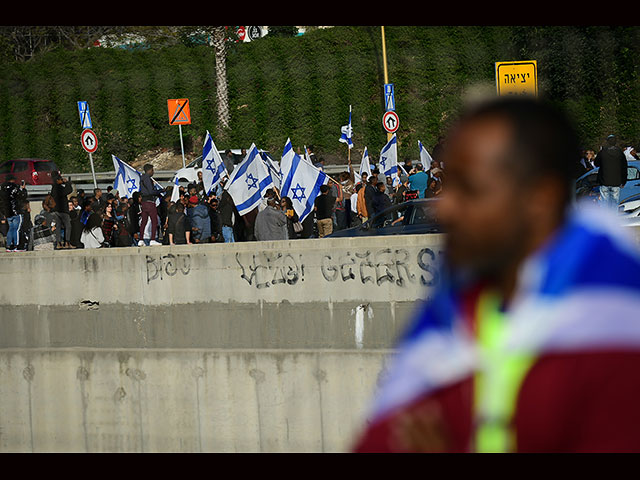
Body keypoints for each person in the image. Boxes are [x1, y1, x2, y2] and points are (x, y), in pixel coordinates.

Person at [353, 96, 640, 453]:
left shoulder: (615, 325)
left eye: (470, 189)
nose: (446, 209)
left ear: (541, 198)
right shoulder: (456, 303)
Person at [594, 134, 628, 209]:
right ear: (615, 142)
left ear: (607, 142)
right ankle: (613, 219)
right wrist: (624, 181)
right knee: (614, 204)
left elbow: (596, 163)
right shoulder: (620, 153)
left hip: (604, 181)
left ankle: (605, 219)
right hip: (616, 182)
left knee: (604, 204)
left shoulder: (603, 152)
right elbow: (624, 167)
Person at [0, 175, 27, 252]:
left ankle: (9, 246)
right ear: (13, 180)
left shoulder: (2, 188)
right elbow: (22, 196)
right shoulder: (15, 187)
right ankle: (17, 246)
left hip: (7, 212)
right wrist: (23, 189)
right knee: (16, 229)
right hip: (16, 211)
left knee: (10, 229)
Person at [138, 164, 163, 246]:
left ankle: (141, 239)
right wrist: (160, 191)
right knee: (154, 221)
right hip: (150, 202)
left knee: (144, 221)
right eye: (152, 170)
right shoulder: (147, 178)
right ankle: (152, 239)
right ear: (149, 170)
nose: (153, 172)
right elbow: (151, 191)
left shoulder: (141, 178)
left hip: (144, 203)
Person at [50, 172, 74, 249]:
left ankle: (58, 243)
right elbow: (69, 190)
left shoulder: (53, 188)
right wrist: (67, 183)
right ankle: (67, 242)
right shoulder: (59, 188)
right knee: (68, 225)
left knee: (58, 226)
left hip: (56, 210)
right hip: (62, 210)